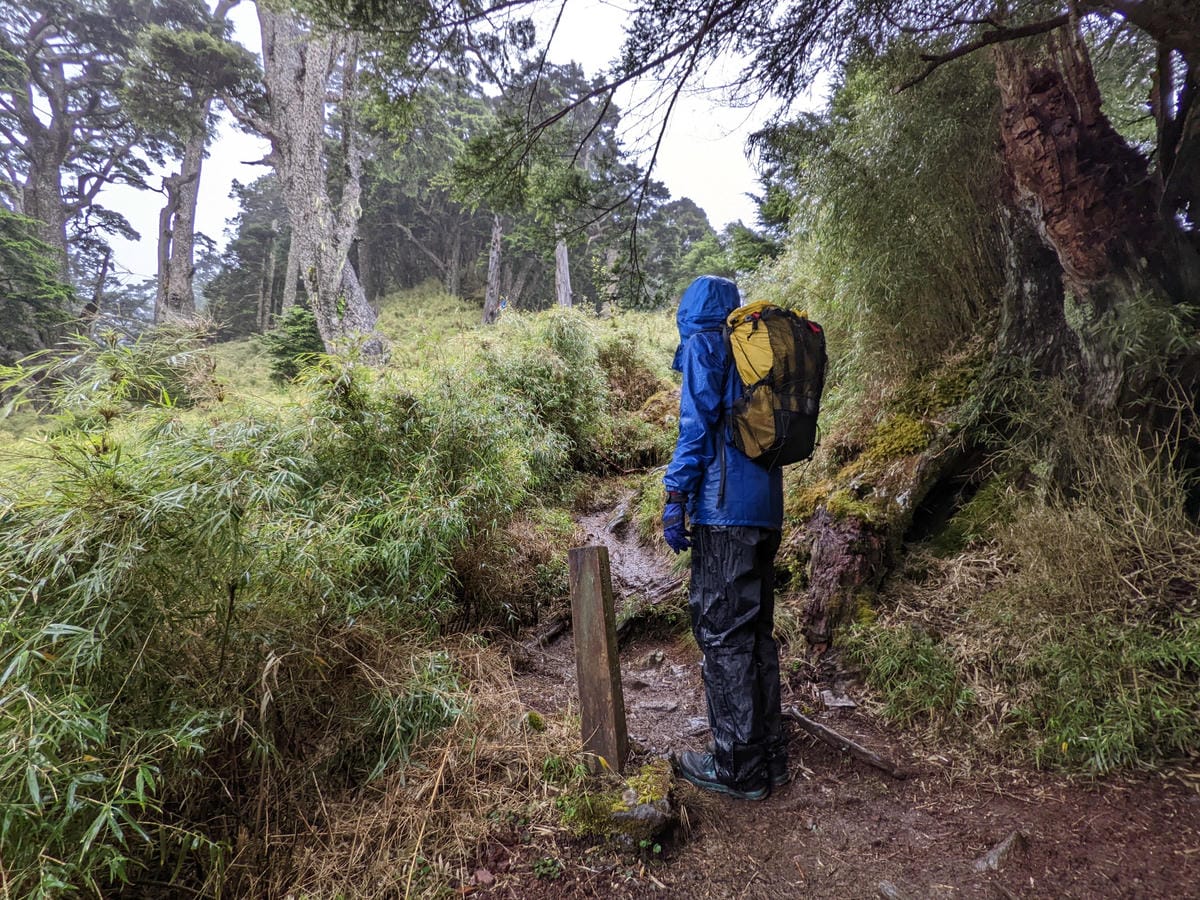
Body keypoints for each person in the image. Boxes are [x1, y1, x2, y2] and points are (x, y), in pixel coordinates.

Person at [662, 274, 787, 801]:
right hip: (766, 512)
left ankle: (737, 767)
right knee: (756, 633)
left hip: (724, 513)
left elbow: (696, 424)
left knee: (722, 635)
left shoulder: (703, 344)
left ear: (690, 312)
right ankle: (770, 758)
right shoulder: (751, 349)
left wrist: (675, 495)